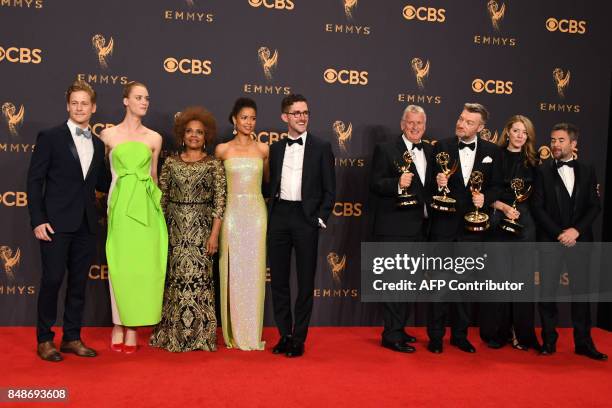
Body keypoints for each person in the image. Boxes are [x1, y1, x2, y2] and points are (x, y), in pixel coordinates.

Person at [27, 79, 111, 362]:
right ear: (67, 106)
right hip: (54, 224)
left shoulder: (100, 146)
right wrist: (38, 220)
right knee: (52, 280)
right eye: (74, 103)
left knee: (78, 284)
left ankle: (72, 337)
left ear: (93, 107)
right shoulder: (50, 137)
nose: (79, 107)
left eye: (84, 103)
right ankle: (45, 339)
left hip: (87, 225)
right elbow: (34, 180)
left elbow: (103, 182)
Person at [427, 103, 502, 354]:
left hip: (473, 229)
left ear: (481, 127)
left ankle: (460, 335)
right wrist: (439, 184)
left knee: (465, 285)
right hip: (444, 227)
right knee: (438, 285)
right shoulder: (441, 147)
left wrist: (486, 198)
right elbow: (428, 189)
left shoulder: (493, 151)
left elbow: (498, 186)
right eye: (461, 119)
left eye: (469, 122)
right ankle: (436, 337)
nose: (462, 124)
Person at [149, 107, 226, 352]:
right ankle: (173, 333)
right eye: (190, 132)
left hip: (202, 231)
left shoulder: (214, 164)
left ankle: (200, 336)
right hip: (174, 228)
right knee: (175, 282)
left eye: (199, 132)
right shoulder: (170, 163)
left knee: (201, 281)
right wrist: (159, 233)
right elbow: (162, 199)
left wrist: (214, 234)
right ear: (182, 135)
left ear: (206, 137)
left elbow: (220, 201)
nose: (194, 136)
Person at [99, 81, 168, 354]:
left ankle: (132, 328)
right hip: (118, 206)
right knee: (120, 266)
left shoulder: (154, 138)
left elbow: (154, 176)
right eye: (139, 97)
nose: (144, 102)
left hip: (146, 209)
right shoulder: (108, 135)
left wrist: (159, 210)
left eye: (147, 98)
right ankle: (118, 323)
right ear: (125, 101)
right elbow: (104, 176)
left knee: (142, 269)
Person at [531, 123, 607, 361]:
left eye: (561, 140)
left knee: (581, 294)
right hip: (550, 241)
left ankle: (584, 343)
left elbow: (594, 206)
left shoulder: (587, 169)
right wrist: (559, 234)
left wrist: (576, 231)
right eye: (553, 140)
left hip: (580, 241)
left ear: (574, 144)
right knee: (547, 293)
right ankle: (549, 342)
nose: (555, 144)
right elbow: (537, 208)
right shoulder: (542, 171)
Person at [268, 94, 336, 358]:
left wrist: (320, 218)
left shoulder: (321, 146)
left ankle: (299, 338)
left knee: (306, 282)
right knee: (279, 282)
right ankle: (284, 335)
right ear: (285, 117)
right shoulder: (275, 149)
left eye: (305, 112)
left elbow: (330, 189)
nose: (302, 117)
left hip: (306, 218)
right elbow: (270, 184)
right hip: (280, 216)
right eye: (296, 113)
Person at [369, 105, 433, 353]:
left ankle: (399, 328)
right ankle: (391, 334)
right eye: (410, 122)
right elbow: (375, 183)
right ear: (402, 124)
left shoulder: (430, 150)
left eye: (419, 123)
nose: (415, 127)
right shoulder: (385, 149)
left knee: (411, 283)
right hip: (394, 227)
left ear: (425, 126)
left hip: (421, 228)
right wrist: (397, 183)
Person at [479, 115, 540, 351]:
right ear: (508, 132)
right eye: (516, 131)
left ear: (528, 136)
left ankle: (521, 334)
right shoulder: (495, 157)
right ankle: (497, 332)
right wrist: (503, 207)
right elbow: (484, 193)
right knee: (498, 282)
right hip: (498, 226)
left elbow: (538, 200)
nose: (519, 136)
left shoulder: (534, 163)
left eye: (524, 132)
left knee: (522, 284)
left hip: (525, 227)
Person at [215, 97, 269, 351]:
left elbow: (267, 183)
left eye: (253, 118)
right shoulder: (222, 150)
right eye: (244, 117)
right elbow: (216, 189)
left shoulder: (264, 150)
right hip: (232, 214)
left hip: (256, 214)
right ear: (234, 119)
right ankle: (235, 333)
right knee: (234, 272)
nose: (249, 122)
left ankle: (251, 332)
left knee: (254, 273)